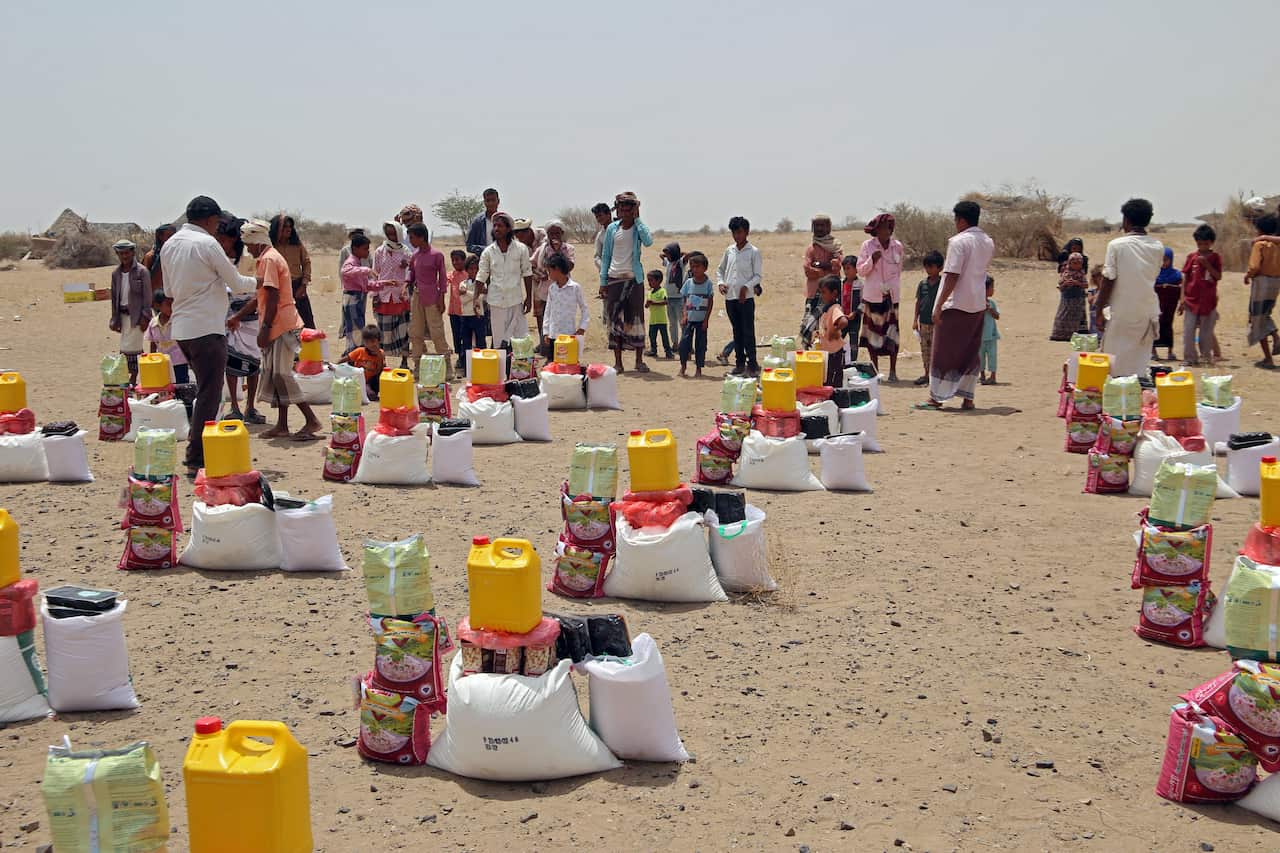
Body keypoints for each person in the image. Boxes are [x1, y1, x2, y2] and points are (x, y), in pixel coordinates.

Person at [160, 196, 257, 475]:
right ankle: (196, 457)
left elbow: (169, 290)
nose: (217, 227)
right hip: (205, 329)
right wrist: (261, 281)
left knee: (204, 391)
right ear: (209, 219)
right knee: (209, 395)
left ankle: (199, 451)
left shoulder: (170, 244)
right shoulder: (207, 243)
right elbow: (238, 284)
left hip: (183, 330)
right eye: (216, 222)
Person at [241, 220, 321, 440]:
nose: (247, 248)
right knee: (277, 375)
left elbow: (273, 295)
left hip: (281, 324)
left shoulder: (268, 259)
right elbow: (263, 297)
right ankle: (282, 425)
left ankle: (311, 419)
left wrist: (265, 328)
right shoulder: (270, 257)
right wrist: (239, 317)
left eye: (249, 244)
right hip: (279, 322)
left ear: (256, 242)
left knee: (281, 374)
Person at [918, 201, 995, 411]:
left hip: (956, 303)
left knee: (943, 351)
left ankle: (936, 397)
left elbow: (952, 275)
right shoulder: (987, 241)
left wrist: (939, 304)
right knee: (970, 350)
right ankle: (967, 397)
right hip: (977, 302)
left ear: (961, 220)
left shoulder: (958, 242)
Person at [1095, 198, 1164, 379]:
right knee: (1139, 364)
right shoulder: (1157, 247)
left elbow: (1108, 279)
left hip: (1122, 312)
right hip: (1147, 312)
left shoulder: (1116, 246)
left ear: (1126, 220)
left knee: (1114, 364)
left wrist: (1098, 310)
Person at [599, 192, 654, 373]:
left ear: (634, 208)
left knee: (636, 320)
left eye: (628, 206)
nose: (624, 209)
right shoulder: (612, 229)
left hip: (634, 280)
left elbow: (648, 241)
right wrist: (603, 281)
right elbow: (606, 256)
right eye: (621, 205)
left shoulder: (638, 228)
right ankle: (618, 362)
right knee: (615, 321)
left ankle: (639, 361)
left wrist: (638, 219)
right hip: (614, 279)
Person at [857, 213, 904, 382]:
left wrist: (892, 287)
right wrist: (872, 260)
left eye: (890, 227)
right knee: (873, 335)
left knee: (893, 334)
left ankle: (893, 371)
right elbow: (861, 271)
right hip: (873, 297)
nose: (888, 231)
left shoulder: (897, 246)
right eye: (884, 228)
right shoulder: (868, 246)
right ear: (877, 230)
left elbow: (898, 270)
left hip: (891, 297)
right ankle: (875, 371)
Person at [477, 212, 533, 348]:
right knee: (498, 341)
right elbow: (481, 276)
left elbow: (527, 273)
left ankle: (521, 369)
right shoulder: (488, 252)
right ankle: (501, 368)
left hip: (515, 300)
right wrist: (475, 299)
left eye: (500, 226)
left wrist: (529, 298)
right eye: (494, 226)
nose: (496, 229)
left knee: (521, 338)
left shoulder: (521, 249)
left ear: (508, 229)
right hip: (496, 302)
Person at [716, 216, 763, 377]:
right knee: (737, 332)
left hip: (746, 298)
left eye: (740, 232)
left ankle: (753, 364)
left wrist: (746, 287)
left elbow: (757, 276)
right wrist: (721, 283)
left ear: (747, 232)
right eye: (734, 232)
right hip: (730, 298)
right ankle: (739, 364)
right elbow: (720, 270)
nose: (737, 236)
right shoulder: (729, 251)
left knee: (748, 331)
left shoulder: (754, 252)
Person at [404, 223, 450, 374]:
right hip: (416, 297)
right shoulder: (415, 256)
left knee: (437, 332)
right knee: (415, 332)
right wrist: (406, 283)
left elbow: (442, 278)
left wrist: (441, 298)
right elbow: (411, 273)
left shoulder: (437, 255)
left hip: (432, 297)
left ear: (421, 237)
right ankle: (417, 365)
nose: (410, 240)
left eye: (412, 237)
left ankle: (447, 366)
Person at [109, 239, 152, 386]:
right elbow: (114, 297)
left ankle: (133, 379)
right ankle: (127, 379)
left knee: (134, 349)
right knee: (124, 349)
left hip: (137, 317)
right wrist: (114, 319)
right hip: (122, 315)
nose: (124, 256)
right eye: (121, 253)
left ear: (132, 252)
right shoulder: (116, 274)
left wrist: (145, 317)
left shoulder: (142, 272)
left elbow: (147, 297)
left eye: (127, 253)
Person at [1179, 224, 1222, 366]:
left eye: (1206, 243)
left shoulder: (1215, 258)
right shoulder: (1191, 257)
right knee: (1188, 331)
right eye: (1200, 243)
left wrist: (1207, 265)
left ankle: (1205, 357)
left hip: (1208, 301)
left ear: (1211, 243)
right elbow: (1185, 278)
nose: (1203, 246)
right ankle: (1190, 358)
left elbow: (1218, 276)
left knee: (1206, 332)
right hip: (1192, 300)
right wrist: (1182, 298)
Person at [373, 221, 412, 368]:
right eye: (389, 233)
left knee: (403, 330)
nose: (392, 236)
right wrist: (375, 293)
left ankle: (404, 361)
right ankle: (383, 362)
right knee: (383, 332)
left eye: (394, 233)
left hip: (400, 296)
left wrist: (406, 264)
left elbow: (411, 271)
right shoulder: (379, 251)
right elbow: (375, 274)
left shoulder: (406, 251)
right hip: (383, 296)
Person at [1245, 213, 1280, 368]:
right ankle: (1275, 337)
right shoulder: (1277, 245)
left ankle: (1268, 357)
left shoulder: (1260, 245)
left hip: (1261, 283)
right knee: (1265, 314)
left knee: (1257, 319)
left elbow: (1255, 267)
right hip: (1275, 282)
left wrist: (1248, 275)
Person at [532, 220, 574, 342]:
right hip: (545, 292)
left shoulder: (568, 249)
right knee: (546, 320)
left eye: (557, 233)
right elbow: (531, 264)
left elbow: (570, 266)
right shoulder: (542, 249)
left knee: (562, 320)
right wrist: (539, 274)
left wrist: (557, 252)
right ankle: (546, 348)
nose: (554, 236)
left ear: (562, 233)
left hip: (563, 291)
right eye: (551, 233)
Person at [269, 215, 314, 330]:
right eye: (284, 227)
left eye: (290, 226)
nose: (288, 229)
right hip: (278, 288)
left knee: (307, 322)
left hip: (297, 287)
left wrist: (303, 285)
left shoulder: (297, 245)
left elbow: (306, 263)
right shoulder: (271, 247)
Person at [803, 214, 844, 338]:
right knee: (809, 328)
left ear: (829, 227)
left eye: (822, 225)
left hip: (832, 294)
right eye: (816, 225)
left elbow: (837, 267)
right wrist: (826, 269)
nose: (819, 228)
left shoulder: (836, 246)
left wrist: (819, 266)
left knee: (832, 325)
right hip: (813, 293)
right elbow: (807, 270)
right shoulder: (811, 249)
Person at [541, 252, 589, 356]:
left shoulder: (575, 288)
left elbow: (584, 309)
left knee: (567, 363)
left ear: (557, 269)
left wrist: (582, 327)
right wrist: (546, 332)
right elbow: (548, 311)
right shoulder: (552, 289)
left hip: (568, 335)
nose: (548, 274)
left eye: (550, 271)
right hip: (553, 335)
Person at [340, 234, 378, 352]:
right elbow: (345, 271)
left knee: (357, 330)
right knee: (356, 332)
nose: (367, 252)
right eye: (365, 249)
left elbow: (366, 285)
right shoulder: (350, 262)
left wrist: (385, 284)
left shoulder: (358, 263)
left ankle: (352, 356)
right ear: (355, 249)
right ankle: (352, 357)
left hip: (358, 300)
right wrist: (366, 270)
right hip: (352, 299)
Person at [679, 251, 715, 378]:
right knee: (684, 343)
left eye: (697, 267)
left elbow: (710, 302)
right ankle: (683, 366)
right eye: (692, 267)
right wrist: (684, 315)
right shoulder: (688, 283)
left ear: (705, 268)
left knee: (700, 345)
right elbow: (684, 300)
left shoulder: (708, 284)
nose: (695, 269)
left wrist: (706, 320)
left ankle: (699, 368)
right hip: (689, 319)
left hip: (701, 321)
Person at [912, 251, 944, 385]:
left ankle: (937, 376)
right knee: (925, 350)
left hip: (938, 323)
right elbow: (918, 302)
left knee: (938, 350)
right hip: (923, 323)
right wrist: (915, 320)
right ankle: (926, 374)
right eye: (926, 267)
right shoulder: (922, 284)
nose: (928, 270)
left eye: (931, 267)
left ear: (940, 268)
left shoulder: (943, 284)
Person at [145, 291, 188, 384]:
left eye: (173, 303)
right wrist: (152, 361)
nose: (172, 307)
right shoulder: (153, 324)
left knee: (181, 386)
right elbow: (153, 344)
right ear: (157, 306)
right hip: (162, 363)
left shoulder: (177, 320)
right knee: (165, 387)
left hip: (179, 362)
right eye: (168, 304)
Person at [816, 275, 848, 387]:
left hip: (834, 352)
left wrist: (834, 331)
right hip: (828, 352)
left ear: (834, 293)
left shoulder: (835, 308)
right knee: (826, 378)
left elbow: (843, 321)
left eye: (824, 292)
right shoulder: (827, 308)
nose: (821, 295)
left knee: (833, 381)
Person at [339, 325, 387, 400]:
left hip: (372, 381)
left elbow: (380, 369)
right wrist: (335, 365)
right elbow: (346, 358)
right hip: (359, 380)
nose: (370, 345)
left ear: (379, 341)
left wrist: (379, 355)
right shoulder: (360, 351)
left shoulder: (381, 353)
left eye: (373, 341)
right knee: (370, 395)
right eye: (367, 342)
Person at [1050, 252, 1089, 341]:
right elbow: (1059, 286)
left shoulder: (1081, 274)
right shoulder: (1066, 273)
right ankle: (1060, 334)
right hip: (1067, 300)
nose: (1077, 265)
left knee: (1077, 317)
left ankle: (1074, 335)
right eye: (1074, 263)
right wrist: (1066, 283)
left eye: (1079, 263)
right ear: (1070, 263)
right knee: (1063, 315)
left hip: (1078, 300)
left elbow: (1086, 285)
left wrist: (1077, 283)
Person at [1152, 248, 1183, 360]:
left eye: (1166, 260)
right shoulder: (1153, 274)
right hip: (1155, 306)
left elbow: (1181, 288)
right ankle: (1153, 352)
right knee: (1154, 326)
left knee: (1168, 326)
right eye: (1161, 260)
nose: (1163, 263)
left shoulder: (1176, 274)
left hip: (1170, 307)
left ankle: (1170, 352)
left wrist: (1182, 302)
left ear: (1171, 260)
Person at [456, 254, 487, 353]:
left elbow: (479, 298)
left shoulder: (482, 283)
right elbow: (462, 301)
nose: (474, 271)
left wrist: (466, 293)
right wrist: (474, 295)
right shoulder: (463, 283)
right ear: (466, 269)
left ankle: (482, 364)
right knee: (466, 343)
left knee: (481, 342)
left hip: (479, 316)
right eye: (471, 269)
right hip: (466, 316)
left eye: (476, 269)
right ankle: (466, 365)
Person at [446, 249, 469, 369]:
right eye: (453, 260)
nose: (455, 262)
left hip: (466, 312)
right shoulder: (451, 274)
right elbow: (443, 283)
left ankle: (466, 358)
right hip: (453, 311)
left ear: (464, 260)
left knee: (466, 335)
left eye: (458, 260)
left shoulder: (469, 274)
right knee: (456, 335)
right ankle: (459, 357)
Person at [661, 242, 685, 352]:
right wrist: (666, 255)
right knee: (672, 323)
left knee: (682, 322)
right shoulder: (668, 263)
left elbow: (689, 255)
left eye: (670, 254)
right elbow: (661, 256)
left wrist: (680, 254)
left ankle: (685, 343)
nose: (668, 256)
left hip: (679, 297)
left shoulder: (680, 263)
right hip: (668, 297)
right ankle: (675, 343)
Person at [645, 269, 673, 359]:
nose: (649, 282)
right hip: (653, 320)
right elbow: (647, 306)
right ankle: (653, 350)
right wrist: (647, 304)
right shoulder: (649, 292)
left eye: (651, 280)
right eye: (648, 280)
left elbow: (665, 302)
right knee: (652, 336)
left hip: (661, 320)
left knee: (664, 336)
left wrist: (653, 303)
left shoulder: (662, 291)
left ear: (658, 281)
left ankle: (668, 352)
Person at [142, 224, 176, 298]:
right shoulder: (151, 256)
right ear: (160, 237)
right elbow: (144, 280)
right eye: (169, 236)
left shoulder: (177, 254)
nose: (173, 239)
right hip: (157, 298)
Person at [841, 255, 862, 364]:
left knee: (853, 343)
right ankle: (840, 362)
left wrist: (855, 312)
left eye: (849, 268)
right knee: (838, 340)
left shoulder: (860, 285)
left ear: (856, 269)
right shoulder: (841, 284)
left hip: (855, 319)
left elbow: (864, 302)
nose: (846, 271)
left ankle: (853, 364)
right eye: (844, 268)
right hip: (841, 319)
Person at [466, 188, 501, 255]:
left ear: (498, 201)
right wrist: (486, 249)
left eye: (493, 200)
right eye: (488, 200)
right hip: (484, 260)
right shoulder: (477, 222)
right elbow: (469, 246)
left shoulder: (504, 220)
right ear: (484, 202)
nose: (491, 203)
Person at [980, 276, 1001, 384]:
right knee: (980, 357)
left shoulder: (991, 303)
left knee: (992, 356)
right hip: (979, 336)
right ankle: (982, 375)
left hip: (991, 335)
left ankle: (993, 376)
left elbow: (997, 316)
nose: (993, 290)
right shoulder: (976, 303)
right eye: (992, 287)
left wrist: (990, 310)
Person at [591, 202, 613, 271]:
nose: (598, 219)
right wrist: (604, 269)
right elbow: (597, 256)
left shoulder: (621, 229)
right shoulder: (600, 235)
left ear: (608, 214)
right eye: (596, 217)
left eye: (600, 215)